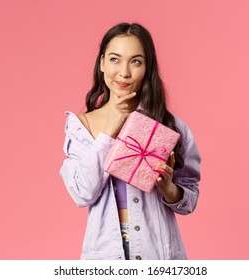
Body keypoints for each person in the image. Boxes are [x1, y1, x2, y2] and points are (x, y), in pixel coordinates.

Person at [60, 22, 201, 260]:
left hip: (158, 252)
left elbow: (190, 198)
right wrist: (108, 133)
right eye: (115, 59)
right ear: (102, 63)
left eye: (136, 61)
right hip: (104, 255)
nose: (124, 72)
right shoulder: (80, 127)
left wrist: (169, 189)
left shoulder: (169, 127)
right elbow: (82, 193)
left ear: (147, 68)